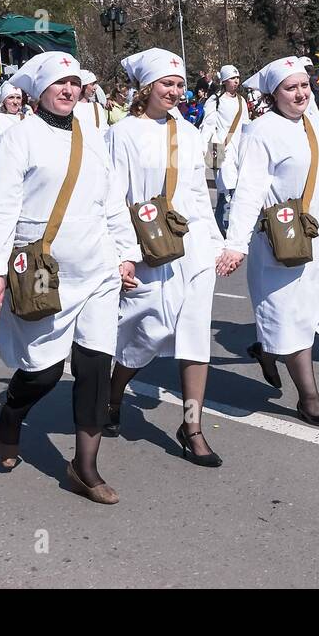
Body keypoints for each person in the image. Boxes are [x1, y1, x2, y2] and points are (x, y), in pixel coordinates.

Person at [0, 52, 139, 504]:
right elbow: (2, 207)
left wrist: (126, 255)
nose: (69, 90)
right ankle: (12, 414)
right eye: (59, 83)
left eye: (75, 83)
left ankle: (84, 468)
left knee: (93, 368)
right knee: (43, 372)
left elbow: (111, 202)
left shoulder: (92, 136)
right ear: (38, 90)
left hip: (98, 272)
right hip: (44, 273)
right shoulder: (19, 137)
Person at [216, 56, 319, 427]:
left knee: (317, 313)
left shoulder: (318, 124)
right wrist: (236, 244)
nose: (300, 93)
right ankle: (310, 398)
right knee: (290, 318)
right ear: (274, 95)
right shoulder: (261, 131)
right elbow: (248, 191)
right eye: (290, 88)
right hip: (282, 242)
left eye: (304, 85)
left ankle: (267, 346)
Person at [105, 49, 222, 466]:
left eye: (178, 83)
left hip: (191, 250)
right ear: (146, 88)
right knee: (148, 332)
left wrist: (215, 242)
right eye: (165, 83)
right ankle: (113, 395)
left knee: (194, 338)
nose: (174, 90)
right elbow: (113, 198)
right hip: (145, 248)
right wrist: (126, 253)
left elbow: (196, 196)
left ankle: (192, 427)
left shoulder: (189, 134)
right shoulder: (122, 135)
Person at [201, 65, 250, 233]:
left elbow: (246, 125)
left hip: (239, 149)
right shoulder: (215, 100)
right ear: (224, 81)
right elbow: (208, 124)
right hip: (221, 148)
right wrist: (205, 148)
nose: (236, 81)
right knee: (225, 188)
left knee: (238, 188)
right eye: (232, 78)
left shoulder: (241, 100)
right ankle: (220, 226)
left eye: (237, 78)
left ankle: (235, 224)